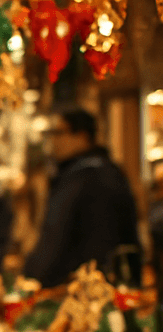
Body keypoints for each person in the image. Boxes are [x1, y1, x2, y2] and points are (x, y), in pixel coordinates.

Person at [24, 107, 141, 287]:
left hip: (80, 290)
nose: (54, 141)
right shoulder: (108, 171)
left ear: (82, 136)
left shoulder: (82, 178)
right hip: (103, 286)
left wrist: (32, 277)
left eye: (59, 133)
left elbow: (56, 239)